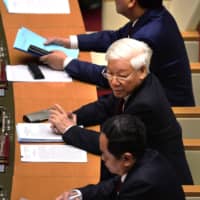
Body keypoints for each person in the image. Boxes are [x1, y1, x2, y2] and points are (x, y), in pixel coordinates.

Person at [49, 38, 193, 185]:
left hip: (158, 183)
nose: (114, 82)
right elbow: (107, 105)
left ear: (142, 70)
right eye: (109, 73)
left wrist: (68, 129)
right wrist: (75, 116)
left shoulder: (145, 105)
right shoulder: (137, 83)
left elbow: (113, 144)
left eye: (122, 76)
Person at [40, 0, 195, 107]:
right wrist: (69, 42)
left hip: (164, 111)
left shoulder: (147, 36)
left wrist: (66, 63)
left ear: (131, 2)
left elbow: (115, 78)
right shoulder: (152, 15)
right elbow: (115, 38)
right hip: (148, 97)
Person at [55, 114, 186, 200]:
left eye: (105, 154)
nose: (102, 158)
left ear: (126, 158)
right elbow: (115, 184)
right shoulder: (146, 155)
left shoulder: (140, 184)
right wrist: (79, 194)